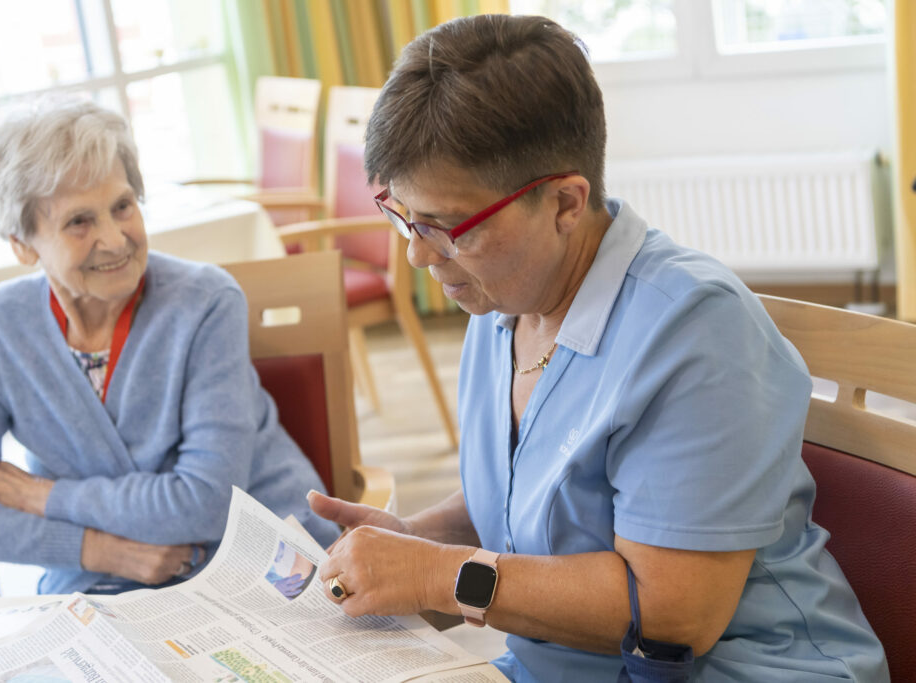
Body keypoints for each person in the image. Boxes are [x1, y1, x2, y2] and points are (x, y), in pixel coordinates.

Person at [306, 14, 889, 682]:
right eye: (402, 214)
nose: (416, 253)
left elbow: (675, 617)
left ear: (564, 202)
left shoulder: (695, 330)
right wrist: (416, 538)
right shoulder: (500, 299)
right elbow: (538, 495)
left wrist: (440, 575)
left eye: (445, 225)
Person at [0, 96, 338, 595]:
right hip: (99, 582)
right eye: (79, 222)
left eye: (122, 206)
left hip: (252, 565)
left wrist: (47, 497)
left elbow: (206, 504)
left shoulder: (205, 304)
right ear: (23, 243)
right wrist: (100, 550)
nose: (114, 240)